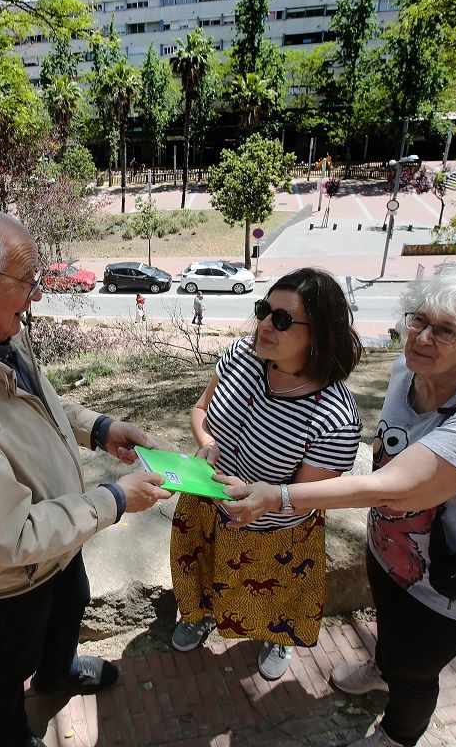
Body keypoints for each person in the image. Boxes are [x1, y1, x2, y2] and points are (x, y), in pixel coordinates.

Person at [216, 264, 456, 747]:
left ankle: (396, 735)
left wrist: (278, 494)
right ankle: (381, 668)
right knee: (392, 637)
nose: (422, 337)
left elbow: (394, 486)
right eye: (419, 320)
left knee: (416, 671)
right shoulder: (406, 371)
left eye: (445, 330)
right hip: (394, 552)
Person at [0, 205, 170, 747]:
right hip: (9, 576)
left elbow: (39, 403)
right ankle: (9, 727)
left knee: (69, 611)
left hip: (62, 538)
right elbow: (11, 536)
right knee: (6, 659)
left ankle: (58, 672)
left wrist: (99, 427)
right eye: (26, 281)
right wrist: (114, 499)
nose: (36, 294)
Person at [169, 268, 363, 681]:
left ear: (319, 333)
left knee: (273, 597)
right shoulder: (241, 355)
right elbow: (200, 411)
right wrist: (205, 443)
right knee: (200, 573)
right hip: (206, 505)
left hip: (271, 530)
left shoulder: (334, 417)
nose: (264, 326)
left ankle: (278, 634)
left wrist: (264, 496)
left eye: (282, 319)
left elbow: (307, 497)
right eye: (263, 310)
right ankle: (200, 615)